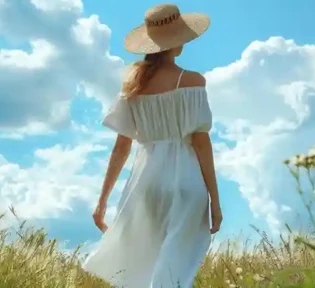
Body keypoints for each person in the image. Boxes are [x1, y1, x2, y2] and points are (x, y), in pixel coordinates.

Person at [81, 3, 223, 288]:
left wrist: (102, 200)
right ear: (178, 41)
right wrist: (215, 201)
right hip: (185, 182)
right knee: (176, 267)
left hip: (146, 183)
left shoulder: (133, 86)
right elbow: (200, 142)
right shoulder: (192, 81)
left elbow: (121, 148)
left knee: (145, 263)